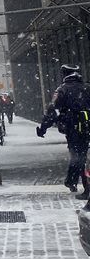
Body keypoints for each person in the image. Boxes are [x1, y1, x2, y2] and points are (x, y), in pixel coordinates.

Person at [37, 64, 90, 199]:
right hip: (87, 127)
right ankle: (73, 182)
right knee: (82, 157)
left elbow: (52, 111)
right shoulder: (87, 87)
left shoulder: (63, 90)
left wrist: (43, 128)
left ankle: (82, 186)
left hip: (74, 128)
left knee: (79, 157)